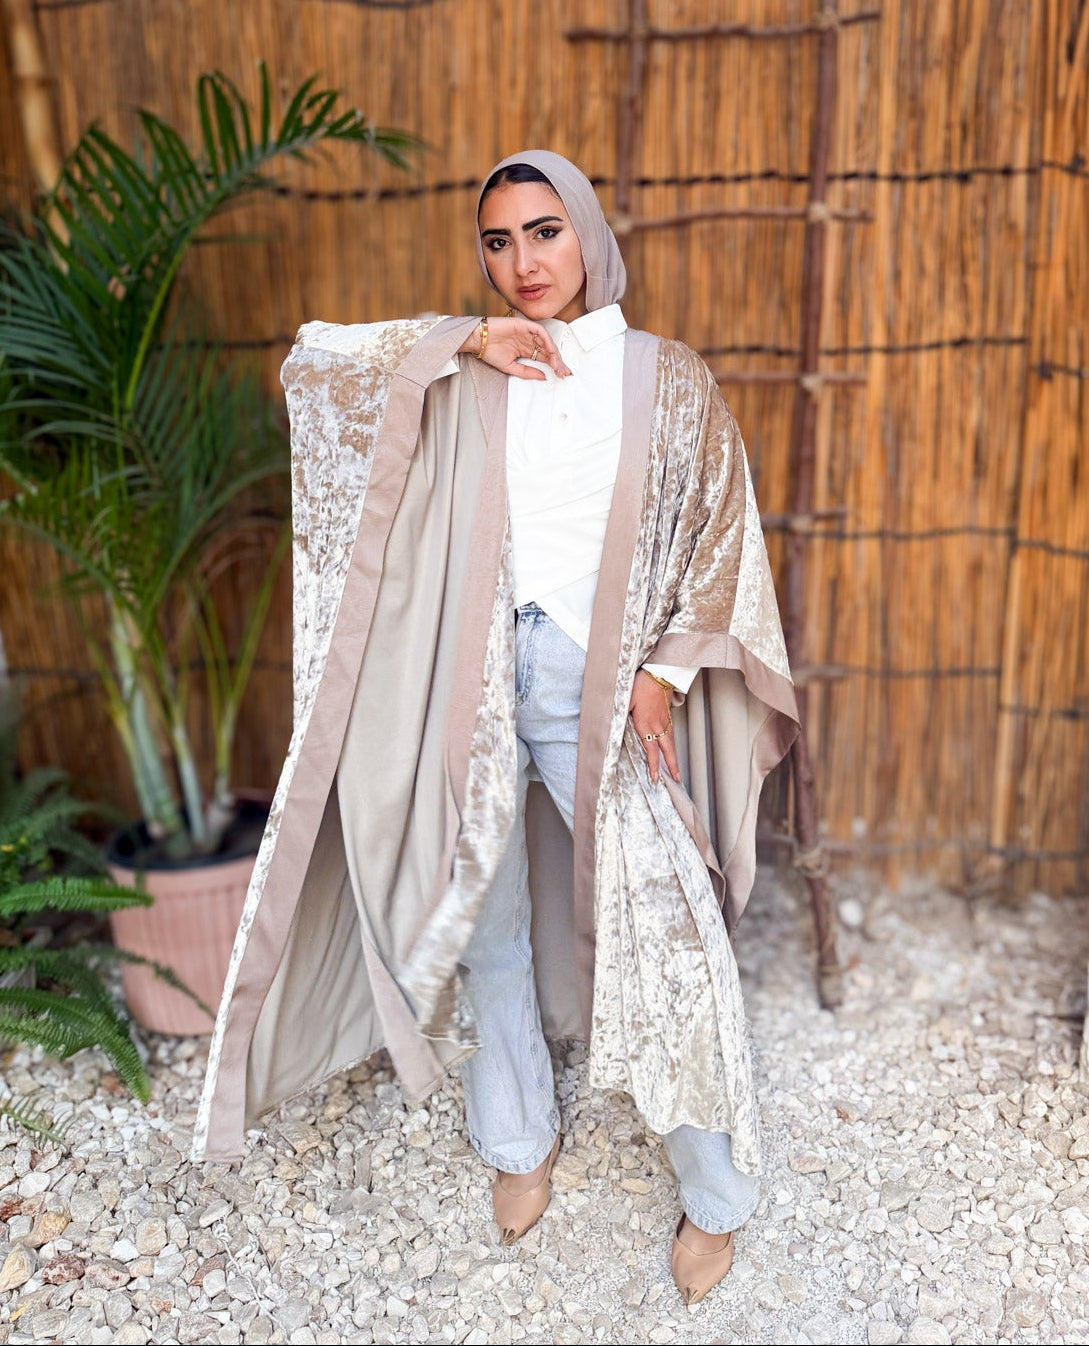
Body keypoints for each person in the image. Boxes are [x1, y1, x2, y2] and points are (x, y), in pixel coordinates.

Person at [194, 151, 798, 1307]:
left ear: (589, 235)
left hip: (598, 677)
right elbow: (310, 363)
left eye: (544, 232)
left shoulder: (667, 379)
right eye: (499, 241)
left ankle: (714, 1187)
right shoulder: (471, 368)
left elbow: (724, 537)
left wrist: (664, 672)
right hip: (470, 669)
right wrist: (453, 341)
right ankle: (518, 1130)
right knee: (485, 913)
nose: (523, 263)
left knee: (656, 921)